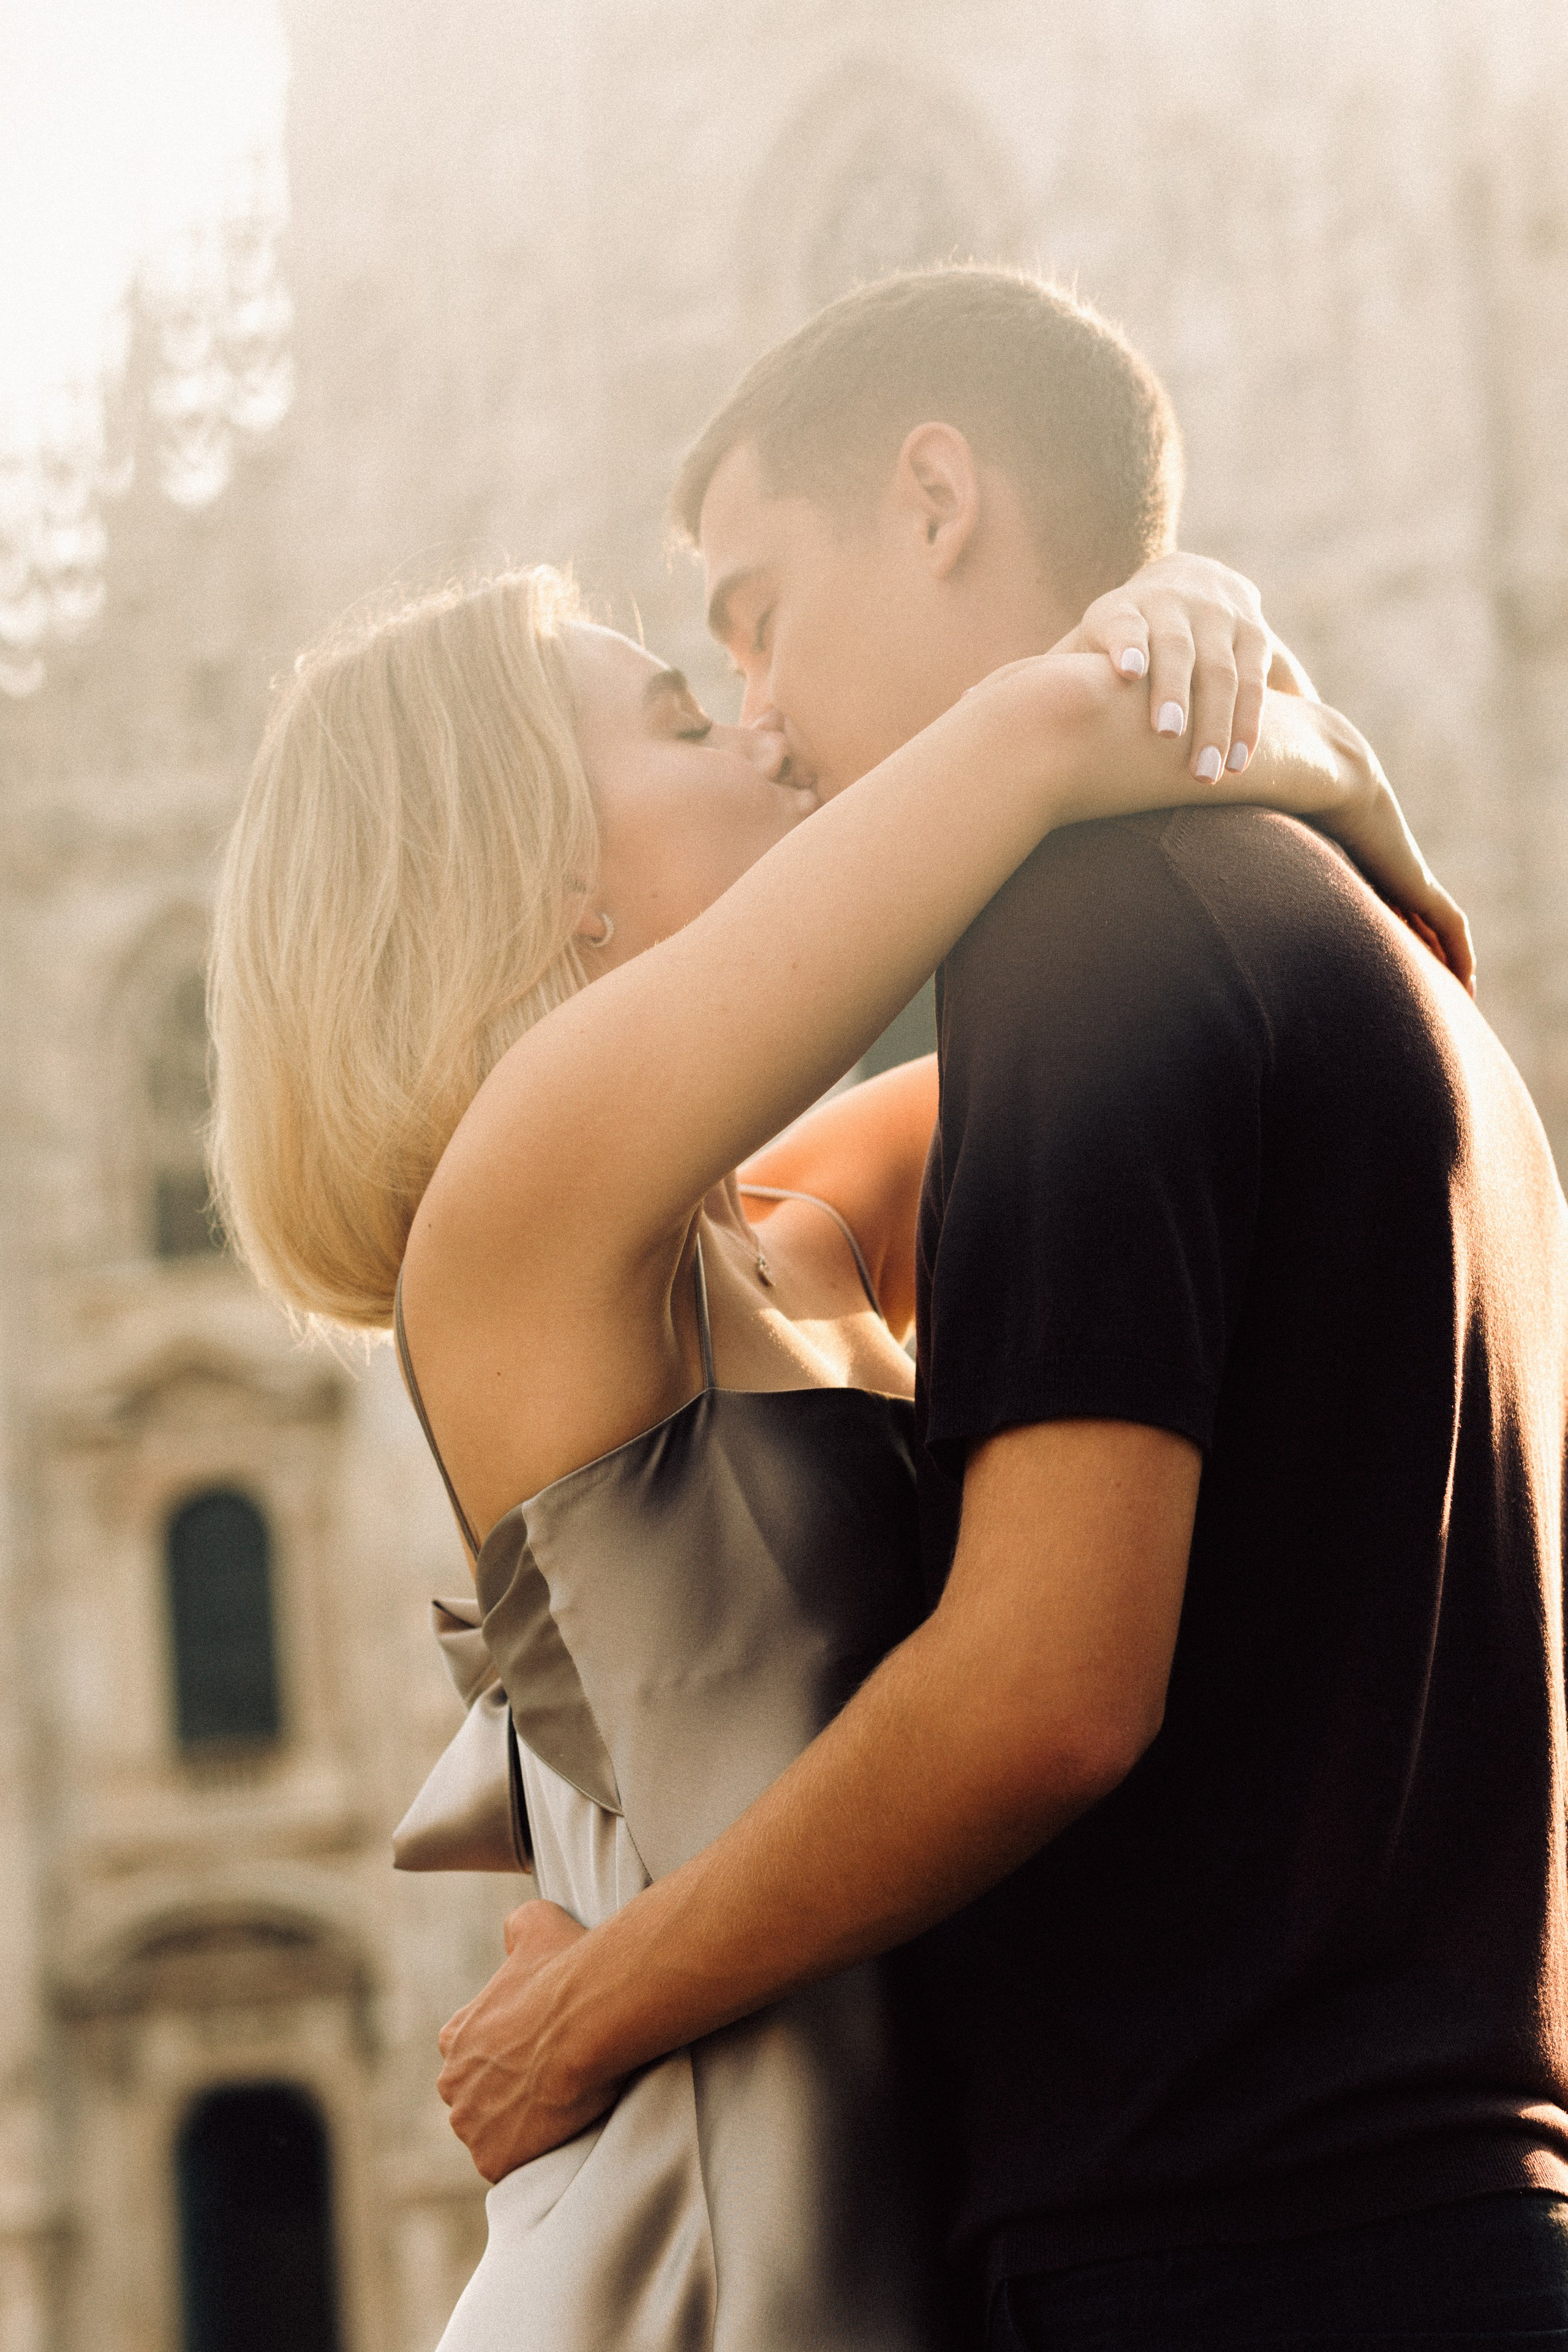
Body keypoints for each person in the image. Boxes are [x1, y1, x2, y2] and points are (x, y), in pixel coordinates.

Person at [208, 369, 1457, 2345]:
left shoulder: (770, 1225)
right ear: (551, 870)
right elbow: (1042, 734)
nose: (771, 730)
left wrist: (1207, 651)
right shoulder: (515, 1202)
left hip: (896, 2216)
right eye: (690, 719)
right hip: (702, 2251)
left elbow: (1186, 1082)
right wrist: (1256, 695)